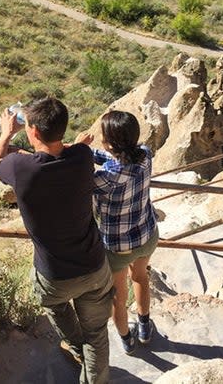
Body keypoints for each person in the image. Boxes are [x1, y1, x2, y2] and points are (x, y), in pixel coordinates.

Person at [0, 97, 114, 384]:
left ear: (32, 131)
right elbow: (69, 151)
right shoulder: (82, 156)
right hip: (94, 266)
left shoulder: (20, 168)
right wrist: (74, 144)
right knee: (98, 334)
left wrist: (6, 133)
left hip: (54, 276)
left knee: (56, 307)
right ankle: (93, 371)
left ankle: (78, 347)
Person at [76, 111, 158, 355]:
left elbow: (83, 176)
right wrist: (90, 152)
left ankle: (127, 340)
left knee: (117, 297)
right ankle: (144, 327)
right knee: (141, 277)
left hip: (118, 246)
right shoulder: (145, 155)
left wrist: (78, 151)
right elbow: (115, 157)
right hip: (147, 233)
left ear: (110, 141)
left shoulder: (106, 178)